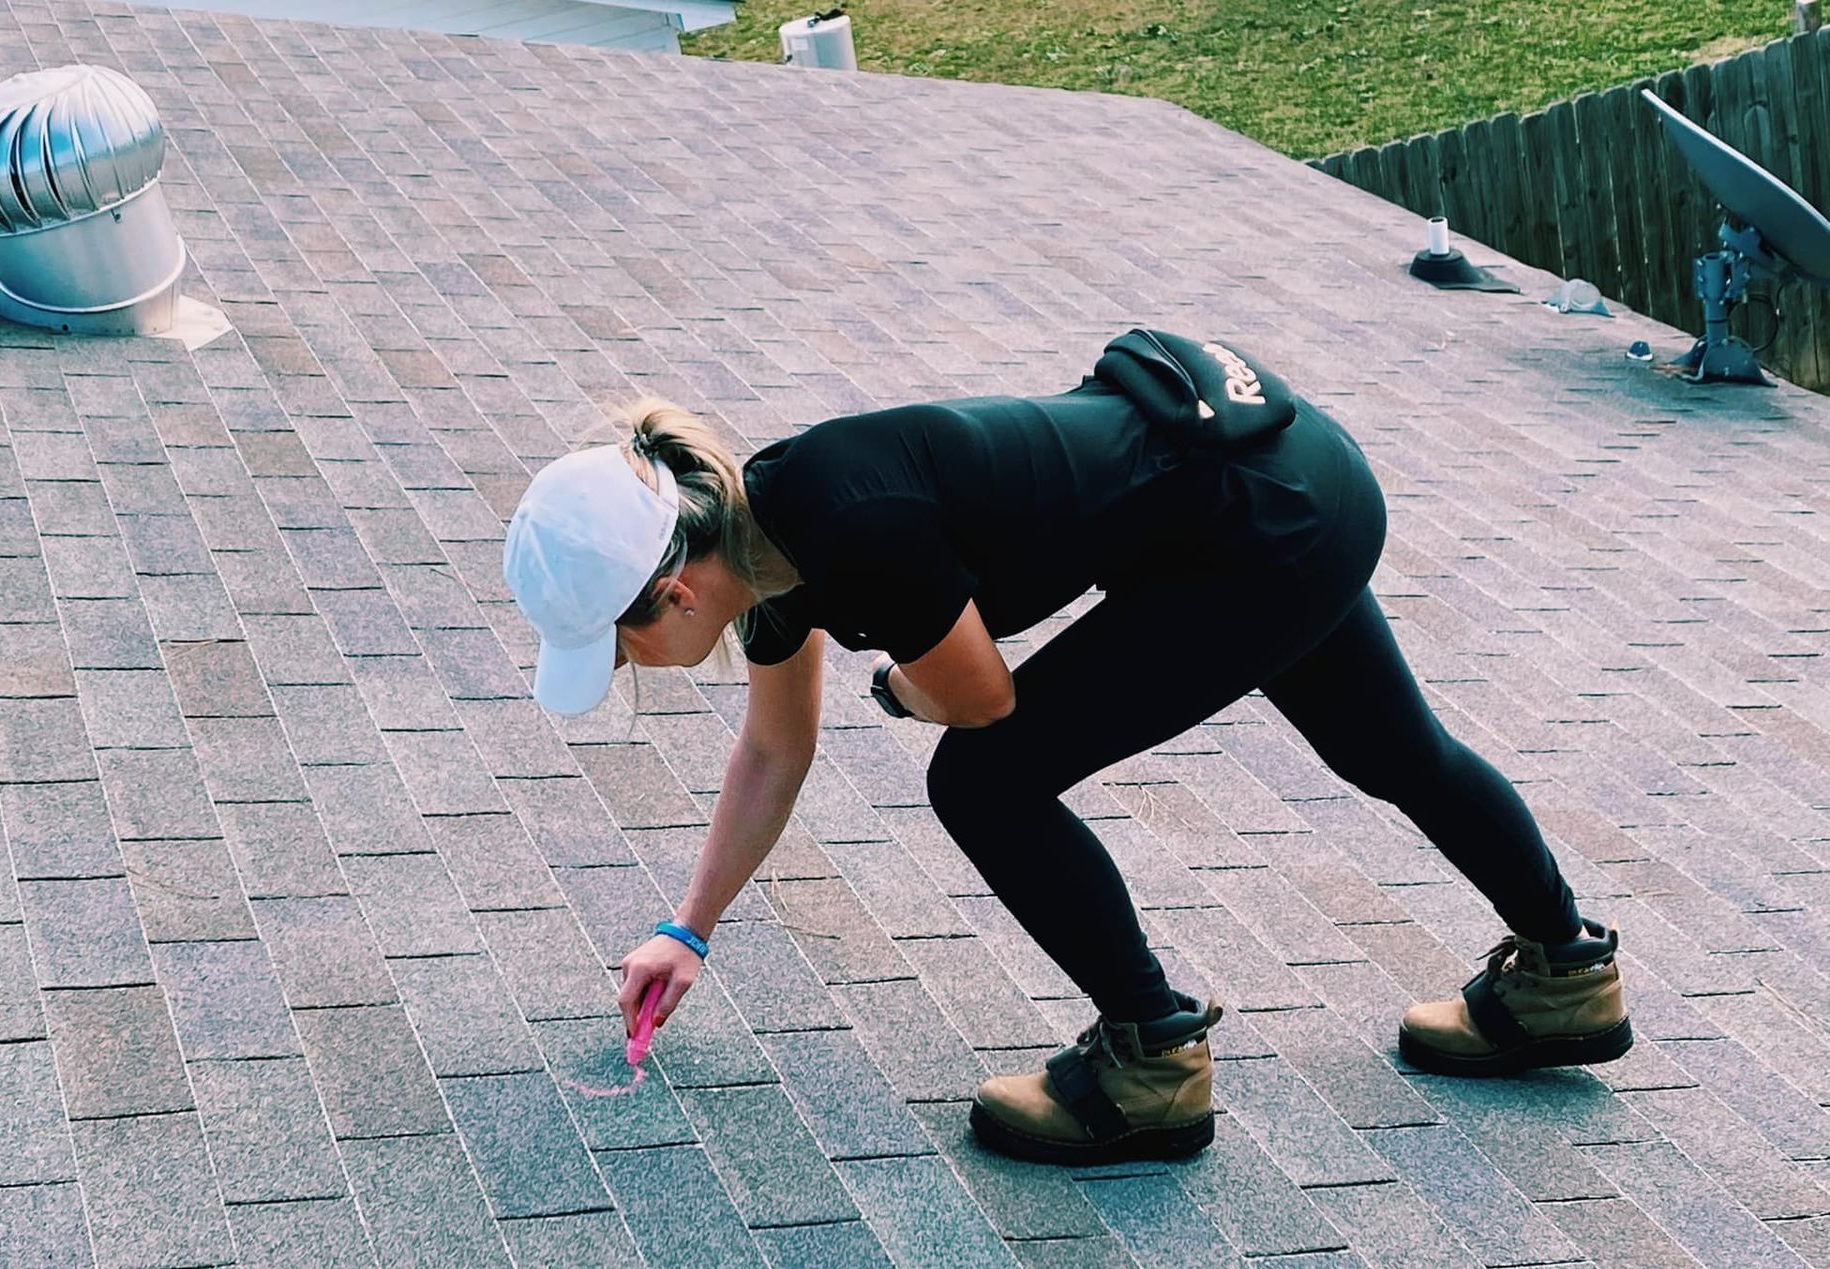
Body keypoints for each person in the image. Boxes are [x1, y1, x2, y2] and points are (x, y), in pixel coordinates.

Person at [501, 331, 1632, 1167]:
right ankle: (1565, 976)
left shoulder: (851, 531)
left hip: (1261, 527)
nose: (632, 673)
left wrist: (901, 688)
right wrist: (684, 927)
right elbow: (774, 749)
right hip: (1285, 485)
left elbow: (979, 698)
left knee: (985, 779)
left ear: (672, 590)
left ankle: (1150, 1061)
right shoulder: (766, 531)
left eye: (617, 649)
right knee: (1395, 752)